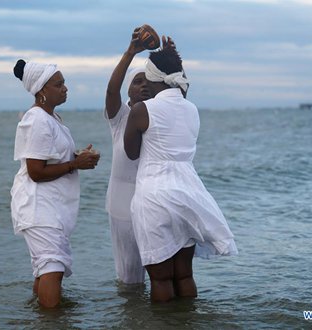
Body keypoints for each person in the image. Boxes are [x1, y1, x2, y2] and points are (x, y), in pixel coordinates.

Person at [124, 40, 238, 302]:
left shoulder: (143, 110)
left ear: (152, 78)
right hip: (188, 193)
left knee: (161, 279)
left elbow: (132, 152)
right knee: (184, 275)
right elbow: (178, 91)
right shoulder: (191, 109)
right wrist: (173, 57)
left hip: (154, 197)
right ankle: (188, 321)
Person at [10, 59, 100, 308]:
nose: (65, 88)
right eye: (58, 84)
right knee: (52, 266)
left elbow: (50, 158)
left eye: (64, 83)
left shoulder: (51, 118)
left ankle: (41, 319)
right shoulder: (38, 119)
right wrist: (74, 165)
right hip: (40, 207)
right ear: (41, 90)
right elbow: (36, 171)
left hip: (50, 207)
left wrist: (79, 157)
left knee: (46, 267)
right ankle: (51, 320)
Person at [104, 27, 150, 284]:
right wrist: (131, 52)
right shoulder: (119, 116)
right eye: (137, 81)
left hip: (152, 201)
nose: (143, 86)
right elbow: (112, 92)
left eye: (147, 82)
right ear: (129, 89)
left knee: (161, 271)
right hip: (122, 204)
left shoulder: (157, 115)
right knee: (130, 277)